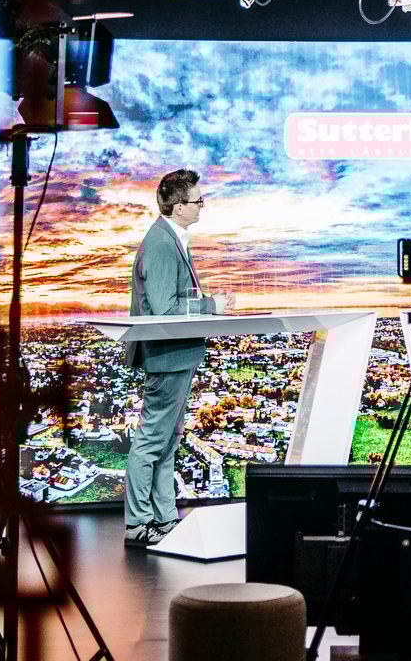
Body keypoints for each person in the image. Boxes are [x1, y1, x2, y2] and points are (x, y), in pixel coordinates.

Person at [122, 168, 229, 546]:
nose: (203, 206)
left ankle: (164, 517)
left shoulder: (171, 239)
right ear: (179, 205)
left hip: (178, 354)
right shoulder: (163, 243)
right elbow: (166, 308)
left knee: (167, 441)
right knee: (153, 440)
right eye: (198, 200)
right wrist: (213, 305)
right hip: (168, 354)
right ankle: (138, 525)